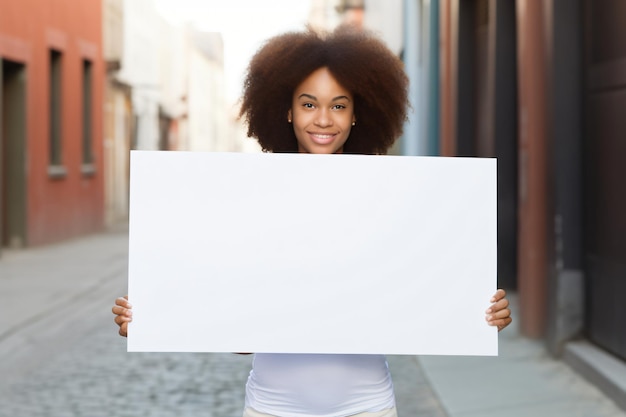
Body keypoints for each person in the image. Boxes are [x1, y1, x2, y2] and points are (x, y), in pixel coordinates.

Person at [113, 25, 512, 417]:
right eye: (309, 104)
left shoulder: (388, 199)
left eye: (339, 105)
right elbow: (238, 334)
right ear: (286, 111)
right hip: (272, 409)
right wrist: (158, 316)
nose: (323, 119)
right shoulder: (253, 200)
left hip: (367, 407)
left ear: (357, 115)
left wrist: (475, 313)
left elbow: (419, 295)